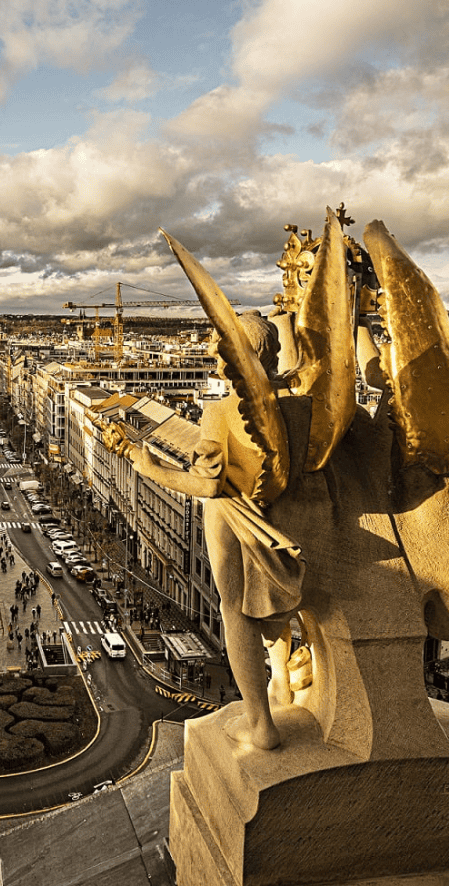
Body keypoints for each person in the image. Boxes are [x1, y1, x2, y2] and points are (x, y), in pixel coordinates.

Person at [110, 312, 304, 751]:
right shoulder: (294, 404)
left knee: (236, 612)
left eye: (221, 347)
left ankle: (261, 725)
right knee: (272, 607)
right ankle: (283, 690)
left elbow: (207, 484)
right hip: (279, 517)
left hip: (232, 517)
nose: (215, 354)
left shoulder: (222, 410)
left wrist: (150, 466)